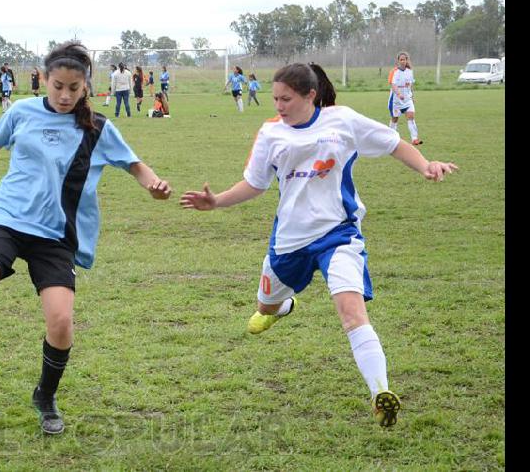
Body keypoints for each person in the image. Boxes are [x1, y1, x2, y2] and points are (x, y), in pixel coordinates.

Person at [0, 41, 172, 435]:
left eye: (74, 88)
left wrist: (153, 185)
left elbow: (134, 164)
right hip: (8, 218)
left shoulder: (97, 128)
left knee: (61, 322)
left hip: (55, 234)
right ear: (44, 79)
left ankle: (45, 397)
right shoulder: (21, 112)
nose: (64, 95)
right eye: (58, 85)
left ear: (86, 86)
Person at [180, 62, 458, 428]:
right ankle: (280, 309)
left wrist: (425, 165)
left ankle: (380, 394)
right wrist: (216, 202)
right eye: (275, 98)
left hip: (338, 234)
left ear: (310, 95)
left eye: (286, 99)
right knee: (264, 306)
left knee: (351, 312)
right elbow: (255, 184)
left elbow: (393, 143)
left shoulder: (341, 120)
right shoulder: (270, 134)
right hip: (290, 241)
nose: (278, 106)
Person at [388, 51, 422, 145]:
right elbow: (393, 85)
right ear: (398, 61)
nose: (403, 61)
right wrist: (399, 94)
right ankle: (391, 137)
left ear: (407, 60)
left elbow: (410, 85)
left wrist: (412, 96)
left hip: (407, 99)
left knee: (411, 116)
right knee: (395, 119)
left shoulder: (410, 72)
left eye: (405, 59)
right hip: (396, 100)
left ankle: (414, 139)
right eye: (401, 59)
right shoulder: (394, 72)